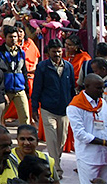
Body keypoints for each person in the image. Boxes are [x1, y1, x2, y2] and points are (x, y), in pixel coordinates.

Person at [67, 73, 107, 184]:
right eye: (98, 88)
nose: (102, 91)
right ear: (87, 87)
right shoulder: (75, 106)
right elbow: (80, 134)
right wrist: (105, 143)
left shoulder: (103, 104)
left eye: (102, 87)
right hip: (89, 158)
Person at [30, 38, 72, 170]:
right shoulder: (42, 67)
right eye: (54, 52)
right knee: (52, 140)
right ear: (48, 52)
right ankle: (56, 170)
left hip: (64, 110)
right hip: (48, 110)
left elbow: (71, 88)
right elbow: (37, 88)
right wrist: (34, 108)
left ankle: (56, 162)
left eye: (59, 51)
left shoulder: (68, 67)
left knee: (61, 141)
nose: (57, 54)